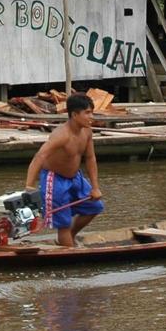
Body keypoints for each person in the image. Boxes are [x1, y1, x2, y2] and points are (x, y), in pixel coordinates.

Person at [24, 92, 104, 247]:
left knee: (95, 206)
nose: (91, 117)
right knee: (64, 224)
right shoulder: (61, 135)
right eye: (87, 113)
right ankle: (70, 253)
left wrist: (95, 187)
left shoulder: (87, 131)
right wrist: (29, 186)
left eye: (91, 112)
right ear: (74, 114)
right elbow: (39, 157)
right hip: (55, 180)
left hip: (75, 178)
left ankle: (71, 237)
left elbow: (90, 158)